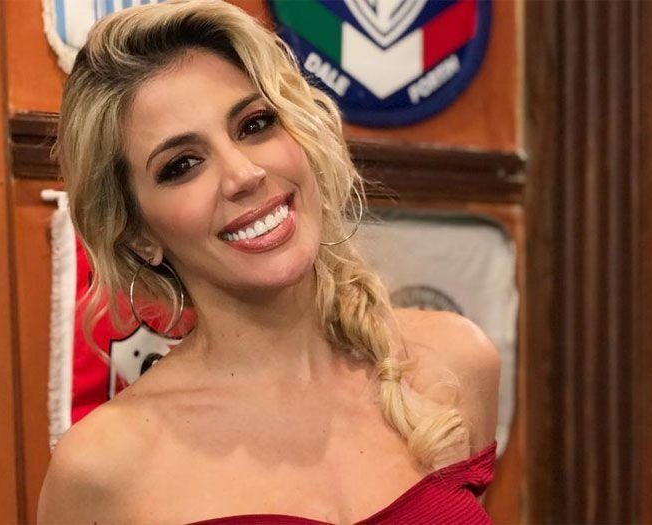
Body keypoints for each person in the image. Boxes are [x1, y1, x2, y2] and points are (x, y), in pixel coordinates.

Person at [37, 1, 501, 523]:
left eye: (255, 124)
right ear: (139, 235)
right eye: (182, 165)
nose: (244, 174)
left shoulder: (456, 362)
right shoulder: (102, 467)